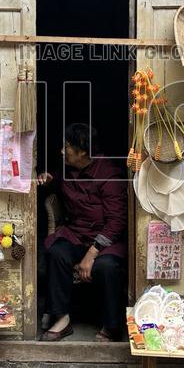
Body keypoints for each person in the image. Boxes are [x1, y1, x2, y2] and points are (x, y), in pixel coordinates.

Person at [38, 124, 127, 342]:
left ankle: (112, 326)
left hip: (106, 239)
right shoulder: (68, 169)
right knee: (57, 253)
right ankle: (62, 319)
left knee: (106, 266)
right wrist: (48, 180)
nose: (62, 151)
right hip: (77, 234)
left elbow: (117, 221)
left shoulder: (108, 174)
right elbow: (58, 180)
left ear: (83, 151)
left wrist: (91, 254)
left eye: (67, 146)